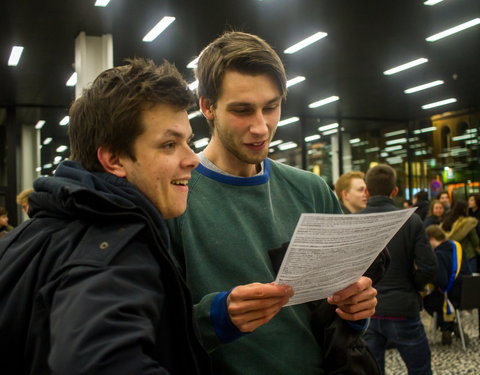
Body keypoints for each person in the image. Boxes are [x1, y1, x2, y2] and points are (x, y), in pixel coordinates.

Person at [167, 31, 378, 375]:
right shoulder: (175, 197)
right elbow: (151, 327)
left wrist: (355, 311)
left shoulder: (311, 191)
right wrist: (216, 318)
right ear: (207, 106)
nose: (261, 127)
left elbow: (336, 310)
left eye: (271, 107)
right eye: (242, 110)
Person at [0, 58, 211, 374]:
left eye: (188, 142)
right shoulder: (117, 248)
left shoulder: (30, 237)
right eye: (169, 144)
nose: (192, 158)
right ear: (114, 159)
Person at [360, 164, 437, 375]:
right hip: (403, 308)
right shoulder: (411, 221)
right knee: (419, 368)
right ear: (395, 191)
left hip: (365, 311)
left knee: (372, 370)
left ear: (366, 190)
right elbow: (429, 266)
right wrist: (413, 285)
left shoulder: (352, 222)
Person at [423, 225, 472, 345]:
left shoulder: (438, 254)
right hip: (467, 296)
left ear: (431, 239)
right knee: (439, 297)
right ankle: (450, 327)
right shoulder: (458, 247)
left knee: (425, 301)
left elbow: (442, 282)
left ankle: (448, 327)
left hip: (451, 298)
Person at [442, 201, 480, 273]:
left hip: (453, 255)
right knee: (471, 280)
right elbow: (475, 241)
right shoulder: (468, 223)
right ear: (464, 210)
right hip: (468, 255)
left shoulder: (447, 221)